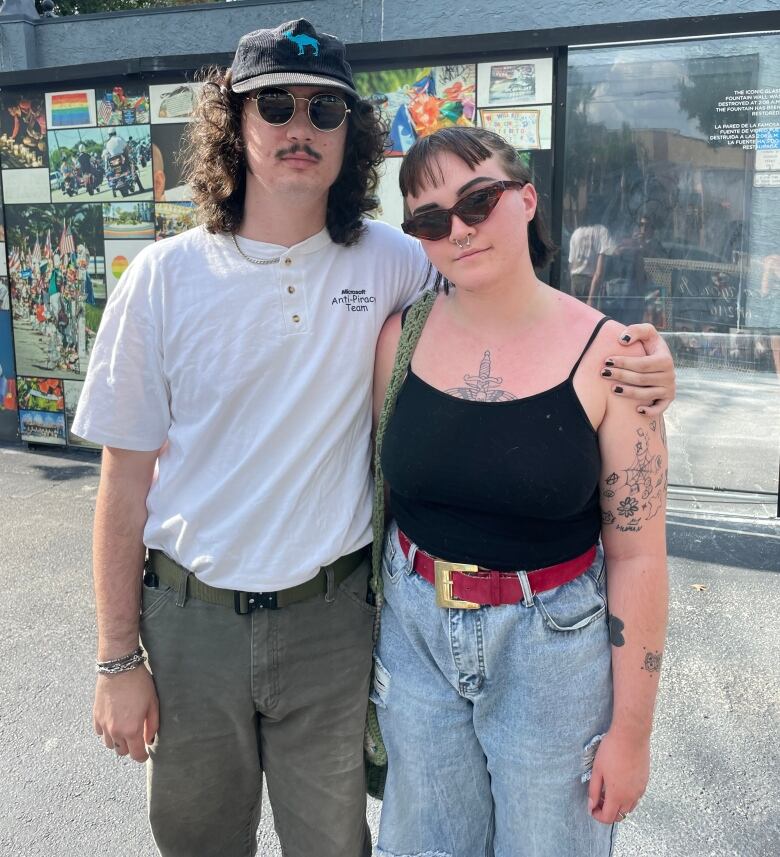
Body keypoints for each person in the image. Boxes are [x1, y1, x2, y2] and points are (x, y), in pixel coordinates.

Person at [72, 19, 675, 857]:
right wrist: (114, 656)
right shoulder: (163, 280)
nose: (299, 127)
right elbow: (123, 481)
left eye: (325, 112)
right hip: (191, 621)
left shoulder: (393, 258)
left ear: (349, 136)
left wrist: (639, 358)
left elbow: (505, 290)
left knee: (342, 846)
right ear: (232, 121)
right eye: (274, 103)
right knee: (198, 841)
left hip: (334, 623)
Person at [371, 127, 669, 857]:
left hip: (552, 652)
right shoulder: (396, 339)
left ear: (526, 197)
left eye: (478, 199)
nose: (460, 230)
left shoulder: (615, 360)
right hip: (415, 634)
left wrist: (630, 734)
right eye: (431, 220)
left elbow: (638, 557)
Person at [568, 217, 612, 306]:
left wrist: (572, 290)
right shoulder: (602, 231)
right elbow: (599, 272)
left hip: (575, 281)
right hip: (591, 283)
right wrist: (591, 298)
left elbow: (571, 266)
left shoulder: (576, 233)